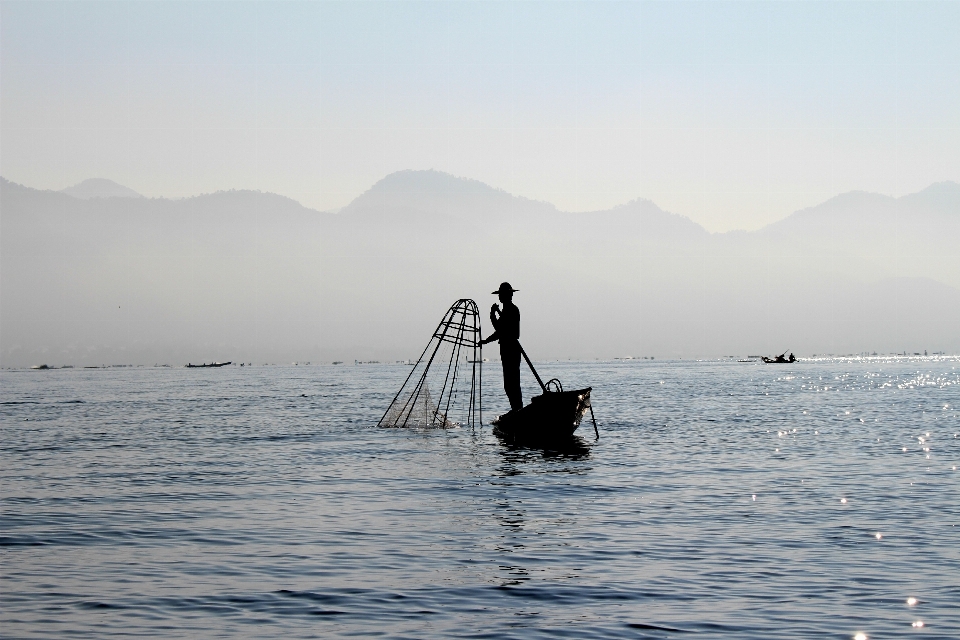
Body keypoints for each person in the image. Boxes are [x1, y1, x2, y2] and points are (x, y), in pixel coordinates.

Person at [480, 282, 522, 412]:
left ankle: (518, 408)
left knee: (512, 383)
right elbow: (500, 331)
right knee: (509, 384)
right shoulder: (506, 311)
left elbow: (501, 330)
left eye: (502, 295)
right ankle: (516, 408)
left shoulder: (512, 310)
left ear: (508, 296)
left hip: (511, 349)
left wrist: (492, 315)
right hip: (506, 349)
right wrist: (486, 341)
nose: (500, 298)